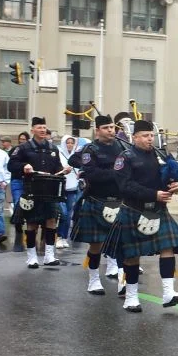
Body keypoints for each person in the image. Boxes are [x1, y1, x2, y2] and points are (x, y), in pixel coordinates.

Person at [104, 119, 178, 313]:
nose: (149, 139)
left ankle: (169, 292)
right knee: (132, 256)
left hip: (158, 210)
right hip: (134, 210)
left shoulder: (160, 154)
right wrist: (154, 194)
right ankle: (131, 296)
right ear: (134, 137)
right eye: (145, 136)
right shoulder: (125, 157)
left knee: (167, 247)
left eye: (151, 135)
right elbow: (125, 186)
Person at [68, 115, 127, 296]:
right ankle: (94, 279)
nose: (111, 130)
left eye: (112, 127)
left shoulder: (122, 147)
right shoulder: (90, 149)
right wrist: (117, 172)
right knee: (96, 245)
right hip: (97, 199)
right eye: (106, 127)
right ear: (98, 130)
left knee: (122, 244)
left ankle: (122, 281)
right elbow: (93, 174)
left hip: (120, 200)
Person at [8, 117, 69, 269]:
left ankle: (49, 256)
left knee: (51, 221)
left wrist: (63, 170)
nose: (42, 130)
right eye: (39, 127)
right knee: (32, 223)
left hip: (50, 191)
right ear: (32, 130)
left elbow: (57, 168)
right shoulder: (23, 148)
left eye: (44, 127)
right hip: (31, 190)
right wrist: (24, 166)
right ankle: (31, 257)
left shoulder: (52, 148)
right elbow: (11, 165)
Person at [56, 135, 80, 249]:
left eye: (71, 143)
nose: (69, 145)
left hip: (72, 188)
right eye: (67, 143)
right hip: (60, 187)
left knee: (69, 214)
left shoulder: (76, 155)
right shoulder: (59, 154)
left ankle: (64, 237)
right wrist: (63, 170)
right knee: (63, 213)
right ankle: (59, 236)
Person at [9, 132, 30, 250]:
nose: (22, 141)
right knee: (18, 202)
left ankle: (29, 226)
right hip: (17, 180)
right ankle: (18, 224)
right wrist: (23, 166)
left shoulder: (31, 150)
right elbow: (11, 165)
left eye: (24, 139)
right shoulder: (15, 150)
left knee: (30, 204)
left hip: (28, 181)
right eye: (20, 139)